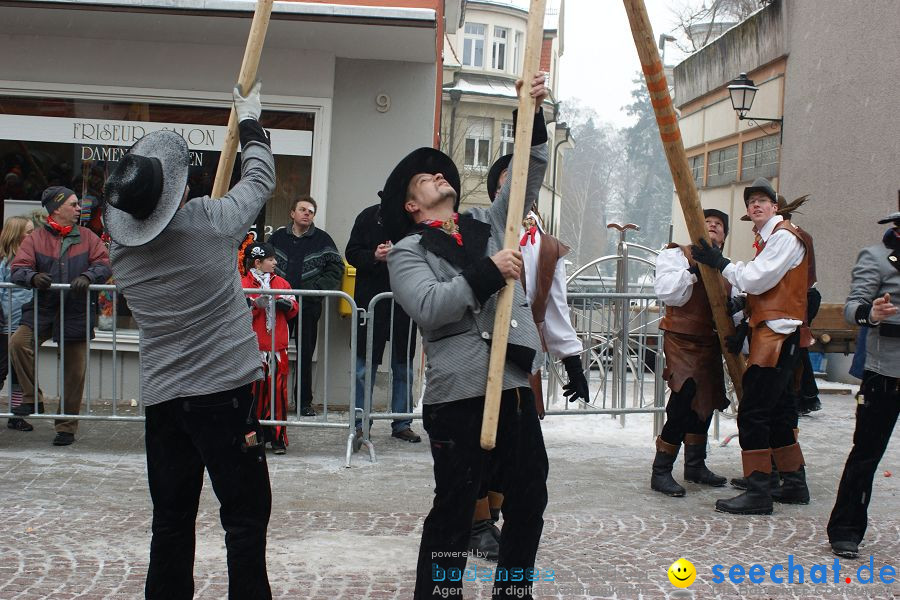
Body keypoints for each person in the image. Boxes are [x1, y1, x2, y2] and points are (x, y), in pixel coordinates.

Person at [383, 72, 549, 600]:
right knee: (455, 506)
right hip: (457, 393)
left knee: (529, 496)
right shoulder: (408, 251)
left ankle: (513, 590)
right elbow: (430, 307)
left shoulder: (487, 223)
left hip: (514, 385)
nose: (437, 176)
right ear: (412, 205)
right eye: (425, 179)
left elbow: (527, 173)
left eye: (439, 172)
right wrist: (487, 273)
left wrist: (532, 112)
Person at [105, 82, 274, 599]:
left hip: (164, 400)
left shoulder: (122, 255)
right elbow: (261, 179)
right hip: (223, 395)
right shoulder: (208, 222)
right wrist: (251, 124)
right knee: (245, 519)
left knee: (172, 520)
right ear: (175, 194)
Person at [466, 155, 589, 560]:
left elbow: (554, 307)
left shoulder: (547, 246)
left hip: (523, 357)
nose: (513, 188)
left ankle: (495, 518)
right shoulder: (475, 230)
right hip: (478, 349)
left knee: (516, 449)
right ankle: (477, 523)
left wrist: (572, 359)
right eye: (504, 182)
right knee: (479, 443)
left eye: (517, 181)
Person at [691, 177, 811, 515]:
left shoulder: (784, 237)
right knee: (778, 412)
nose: (755, 205)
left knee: (754, 413)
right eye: (750, 202)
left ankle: (760, 490)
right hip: (774, 335)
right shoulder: (773, 238)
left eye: (761, 200)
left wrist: (722, 263)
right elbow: (764, 288)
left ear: (775, 206)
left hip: (776, 337)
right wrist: (742, 313)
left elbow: (758, 278)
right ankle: (793, 483)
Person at [9, 186, 111, 446]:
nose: (79, 209)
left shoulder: (88, 237)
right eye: (73, 204)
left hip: (75, 310)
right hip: (43, 309)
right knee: (19, 343)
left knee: (74, 371)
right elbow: (18, 269)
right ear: (56, 208)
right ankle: (32, 398)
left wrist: (88, 276)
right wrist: (33, 277)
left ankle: (66, 427)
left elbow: (104, 264)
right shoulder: (35, 239)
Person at [827, 210, 900, 559]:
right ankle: (845, 530)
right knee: (866, 454)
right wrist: (872, 314)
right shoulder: (876, 257)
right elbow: (852, 307)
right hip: (886, 372)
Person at [651, 209, 734, 497]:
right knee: (684, 396)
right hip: (682, 338)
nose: (713, 226)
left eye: (719, 225)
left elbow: (731, 306)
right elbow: (667, 292)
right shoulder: (677, 254)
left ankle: (695, 465)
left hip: (710, 340)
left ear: (724, 236)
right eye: (708, 222)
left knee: (706, 400)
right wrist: (693, 271)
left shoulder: (727, 268)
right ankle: (661, 470)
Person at [345, 203, 421, 445]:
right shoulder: (367, 216)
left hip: (403, 306)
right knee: (362, 369)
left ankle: (401, 423)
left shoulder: (416, 222)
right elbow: (352, 253)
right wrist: (374, 256)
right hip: (371, 304)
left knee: (403, 369)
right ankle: (359, 423)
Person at [268, 195, 344, 417]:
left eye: (311, 211)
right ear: (292, 213)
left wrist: (317, 289)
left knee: (305, 353)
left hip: (308, 306)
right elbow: (265, 264)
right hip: (280, 305)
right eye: (303, 209)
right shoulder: (277, 238)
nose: (307, 213)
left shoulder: (322, 240)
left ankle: (303, 403)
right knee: (275, 352)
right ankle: (273, 400)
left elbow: (336, 268)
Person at [241, 242, 299, 455]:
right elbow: (236, 311)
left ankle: (277, 438)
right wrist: (255, 305)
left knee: (278, 394)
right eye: (271, 259)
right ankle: (252, 440)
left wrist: (285, 304)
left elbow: (294, 307)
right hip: (252, 349)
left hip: (277, 348)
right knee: (251, 397)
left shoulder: (281, 282)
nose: (275, 262)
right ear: (258, 262)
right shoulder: (242, 283)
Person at [0, 215, 35, 431]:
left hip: (23, 323)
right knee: (2, 369)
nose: (34, 236)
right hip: (6, 325)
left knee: (18, 372)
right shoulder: (4, 263)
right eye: (29, 232)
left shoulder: (31, 261)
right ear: (16, 236)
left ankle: (15, 415)